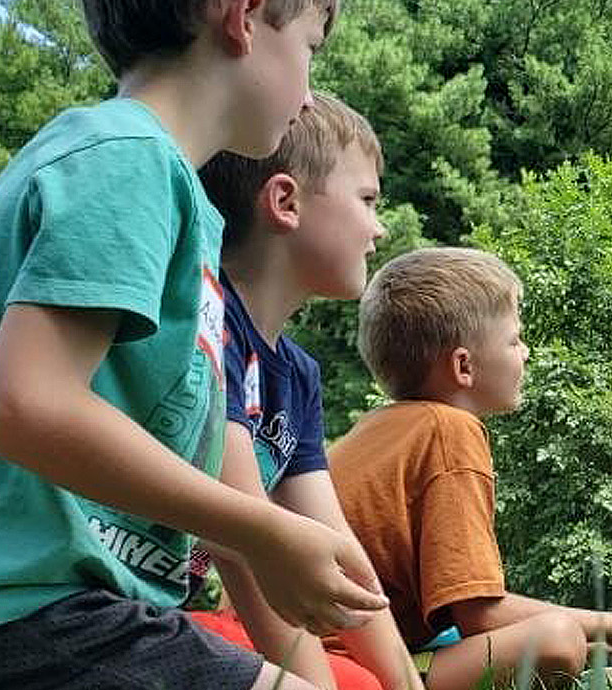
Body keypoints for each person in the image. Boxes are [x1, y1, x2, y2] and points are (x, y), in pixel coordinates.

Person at [0, 2, 387, 689]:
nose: (310, 95)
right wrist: (263, 533)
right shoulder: (128, 158)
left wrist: (264, 545)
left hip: (55, 604)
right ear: (244, 17)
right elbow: (27, 405)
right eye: (310, 48)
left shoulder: (164, 187)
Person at [330, 247, 612, 689]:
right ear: (463, 366)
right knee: (556, 640)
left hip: (320, 646)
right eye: (514, 340)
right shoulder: (449, 431)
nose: (525, 353)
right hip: (345, 663)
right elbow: (480, 616)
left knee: (559, 640)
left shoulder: (380, 426)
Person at [186, 91, 421, 690]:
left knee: (365, 684)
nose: (379, 227)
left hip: (175, 616)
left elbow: (338, 548)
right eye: (367, 200)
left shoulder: (298, 377)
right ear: (285, 202)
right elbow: (245, 549)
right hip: (132, 610)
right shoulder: (209, 324)